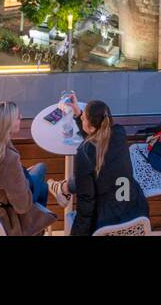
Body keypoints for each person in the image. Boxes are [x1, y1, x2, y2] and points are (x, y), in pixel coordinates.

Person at [49, 100, 149, 235]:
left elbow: (86, 203)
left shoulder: (84, 154)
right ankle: (64, 187)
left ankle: (63, 188)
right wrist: (78, 114)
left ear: (90, 128)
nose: (82, 116)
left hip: (108, 222)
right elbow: (98, 140)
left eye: (83, 117)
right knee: (92, 175)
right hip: (136, 210)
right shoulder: (119, 133)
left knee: (86, 179)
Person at [0, 100, 58, 235]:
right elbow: (22, 206)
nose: (21, 118)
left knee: (40, 171)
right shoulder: (8, 159)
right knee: (42, 181)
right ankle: (38, 231)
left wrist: (20, 175)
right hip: (2, 218)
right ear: (7, 124)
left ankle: (39, 228)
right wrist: (24, 180)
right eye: (17, 117)